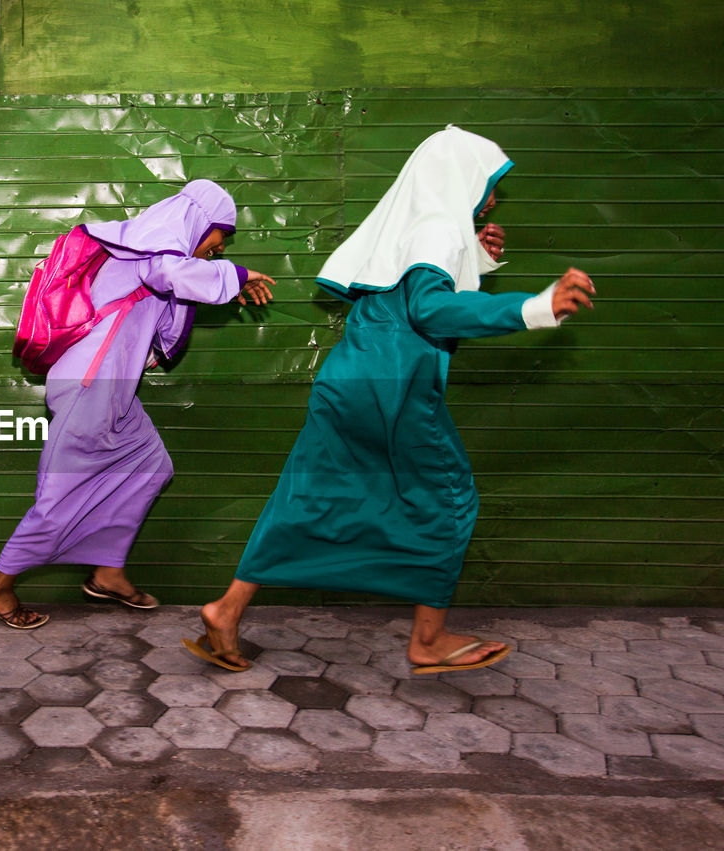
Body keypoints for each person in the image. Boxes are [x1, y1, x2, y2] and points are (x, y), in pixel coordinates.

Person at [187, 126, 596, 674]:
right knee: (450, 497)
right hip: (393, 389)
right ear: (461, 177)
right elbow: (428, 311)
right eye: (489, 181)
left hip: (350, 380)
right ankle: (428, 639)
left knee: (305, 496)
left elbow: (404, 295)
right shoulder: (436, 229)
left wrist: (475, 258)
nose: (492, 196)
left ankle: (226, 608)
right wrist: (532, 307)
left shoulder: (422, 224)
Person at [0, 179, 277, 629]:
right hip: (89, 386)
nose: (220, 245)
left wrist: (150, 353)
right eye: (221, 234)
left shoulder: (155, 254)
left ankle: (107, 572)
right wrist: (236, 275)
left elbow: (143, 310)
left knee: (150, 466)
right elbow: (170, 276)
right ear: (200, 222)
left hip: (111, 389)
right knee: (60, 497)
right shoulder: (152, 250)